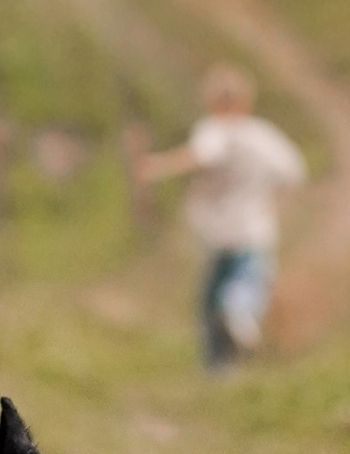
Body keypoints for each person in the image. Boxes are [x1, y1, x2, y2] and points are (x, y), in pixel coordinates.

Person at [131, 66, 307, 369]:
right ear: (247, 100)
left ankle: (220, 365)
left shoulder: (214, 130)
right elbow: (293, 173)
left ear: (211, 101)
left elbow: (202, 155)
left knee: (213, 301)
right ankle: (238, 325)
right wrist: (272, 202)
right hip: (254, 230)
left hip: (219, 233)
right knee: (249, 286)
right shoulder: (263, 135)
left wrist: (158, 166)